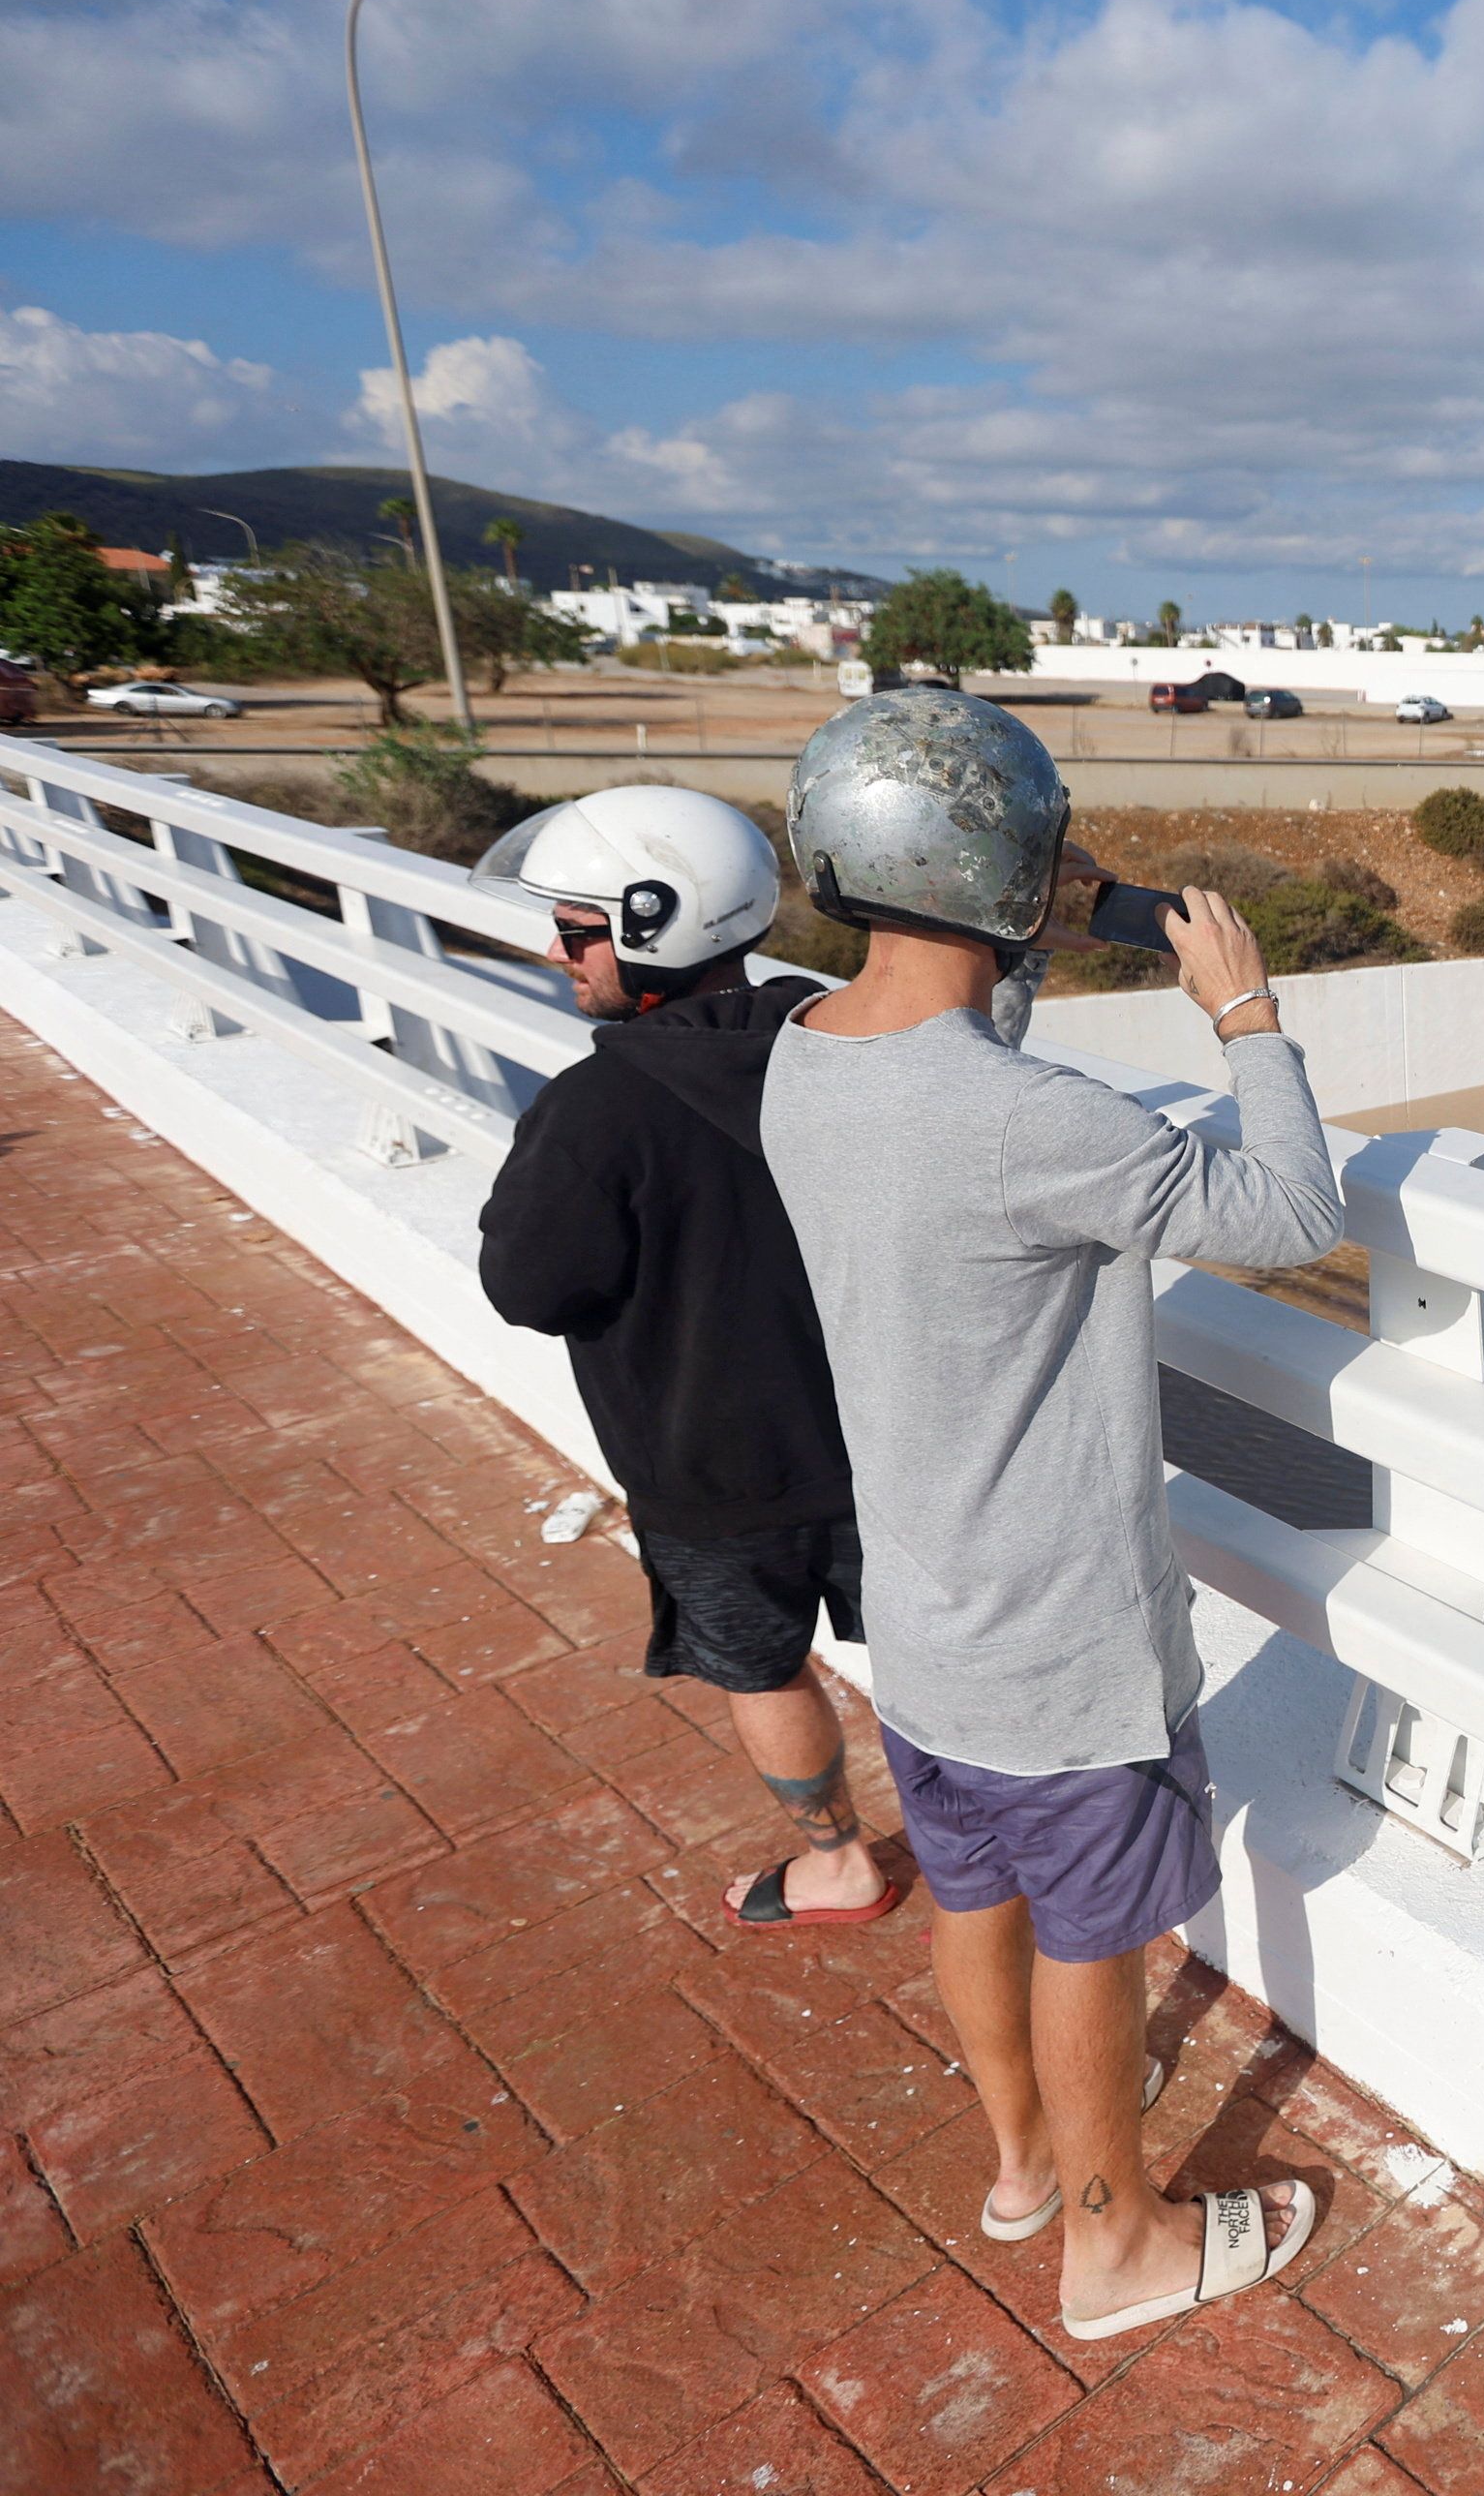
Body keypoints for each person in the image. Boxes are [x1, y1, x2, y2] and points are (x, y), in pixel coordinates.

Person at [762, 687, 1344, 2339]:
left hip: (927, 1630)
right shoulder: (1042, 1126)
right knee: (1094, 1938)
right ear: (1000, 870)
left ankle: (1020, 2166)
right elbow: (1290, 1208)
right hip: (1063, 1642)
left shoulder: (804, 1055)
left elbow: (953, 1052)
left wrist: (1034, 903)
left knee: (973, 1898)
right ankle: (1115, 2244)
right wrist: (1244, 1018)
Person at [472, 784, 898, 1933]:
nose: (558, 953)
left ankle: (841, 1863)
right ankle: (978, 1840)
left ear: (653, 923)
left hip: (707, 1481)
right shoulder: (840, 1037)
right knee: (929, 1664)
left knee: (764, 1672)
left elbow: (527, 1286)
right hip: (889, 1448)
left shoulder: (595, 1109)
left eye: (575, 930)